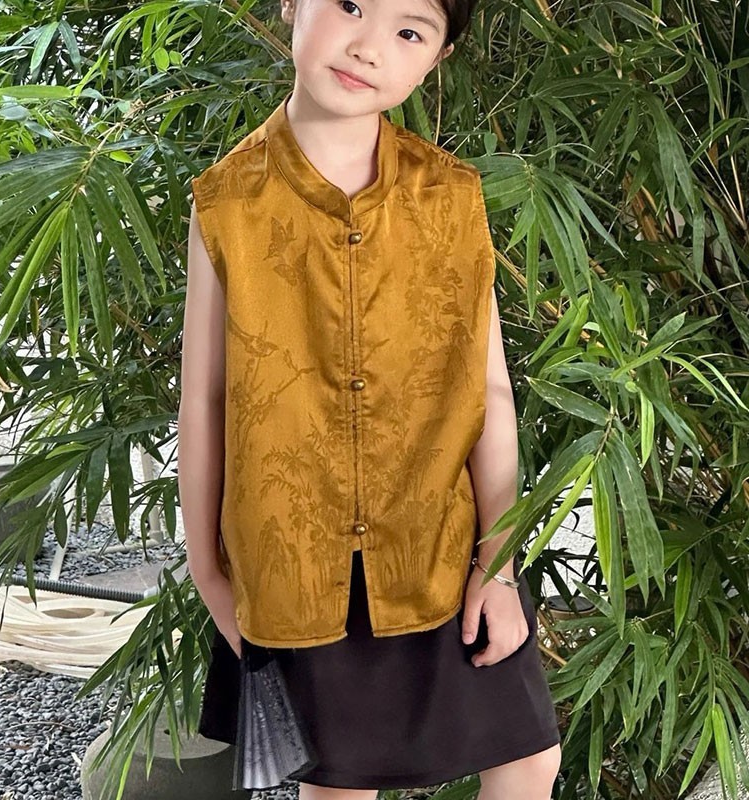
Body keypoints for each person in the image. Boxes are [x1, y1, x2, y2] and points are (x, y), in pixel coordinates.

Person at [179, 0, 563, 796]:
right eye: (350, 4)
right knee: (341, 783)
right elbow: (206, 399)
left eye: (408, 30)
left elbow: (489, 387)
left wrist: (498, 562)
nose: (367, 46)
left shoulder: (451, 195)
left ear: (438, 57)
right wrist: (207, 570)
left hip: (438, 541)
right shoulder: (227, 200)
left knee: (530, 758)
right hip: (294, 552)